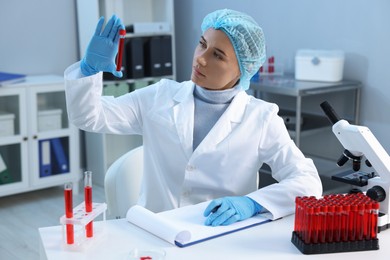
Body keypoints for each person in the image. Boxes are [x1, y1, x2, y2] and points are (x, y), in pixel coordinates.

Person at [64, 9, 322, 226]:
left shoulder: (261, 118)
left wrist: (253, 203)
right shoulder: (160, 96)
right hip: (155, 229)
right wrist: (89, 69)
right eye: (202, 44)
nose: (201, 58)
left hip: (221, 235)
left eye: (217, 55)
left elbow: (307, 181)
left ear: (243, 70)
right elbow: (89, 117)